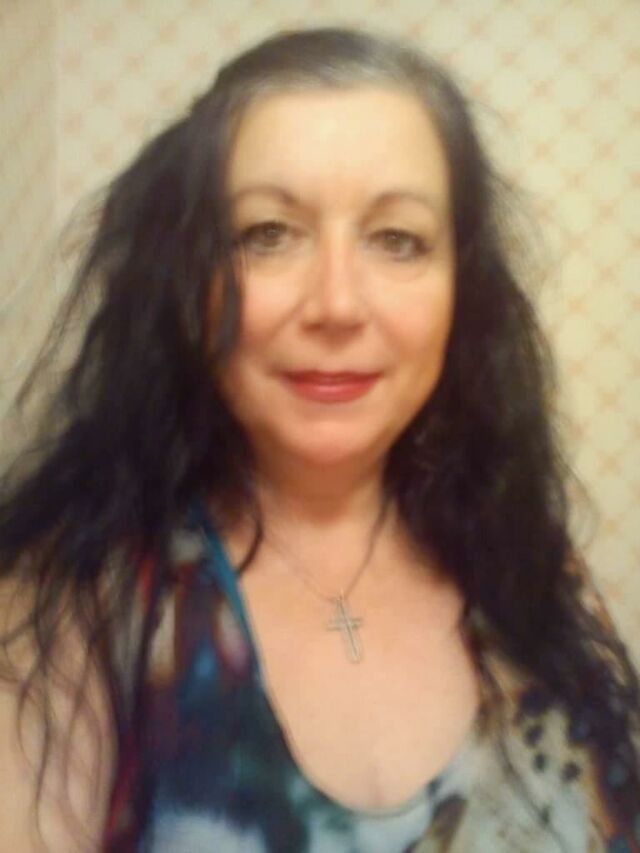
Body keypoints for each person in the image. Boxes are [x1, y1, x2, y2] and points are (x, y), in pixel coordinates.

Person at [0, 26, 638, 853]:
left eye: (398, 239)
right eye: (267, 233)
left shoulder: (533, 569)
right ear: (187, 280)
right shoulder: (69, 610)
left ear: (462, 289)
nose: (336, 303)